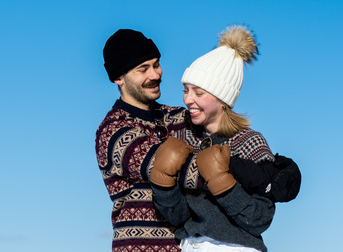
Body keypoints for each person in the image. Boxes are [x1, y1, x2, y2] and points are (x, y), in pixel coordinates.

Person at [95, 28, 299, 252]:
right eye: (143, 69)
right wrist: (261, 176)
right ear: (118, 78)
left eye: (156, 64)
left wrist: (279, 172)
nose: (155, 74)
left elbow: (222, 129)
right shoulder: (114, 131)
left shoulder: (181, 119)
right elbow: (186, 170)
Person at [149, 25, 280, 252]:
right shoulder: (183, 138)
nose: (188, 99)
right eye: (186, 90)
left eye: (199, 93)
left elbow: (260, 219)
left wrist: (223, 185)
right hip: (191, 245)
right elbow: (177, 217)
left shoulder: (249, 142)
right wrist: (163, 183)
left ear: (223, 99)